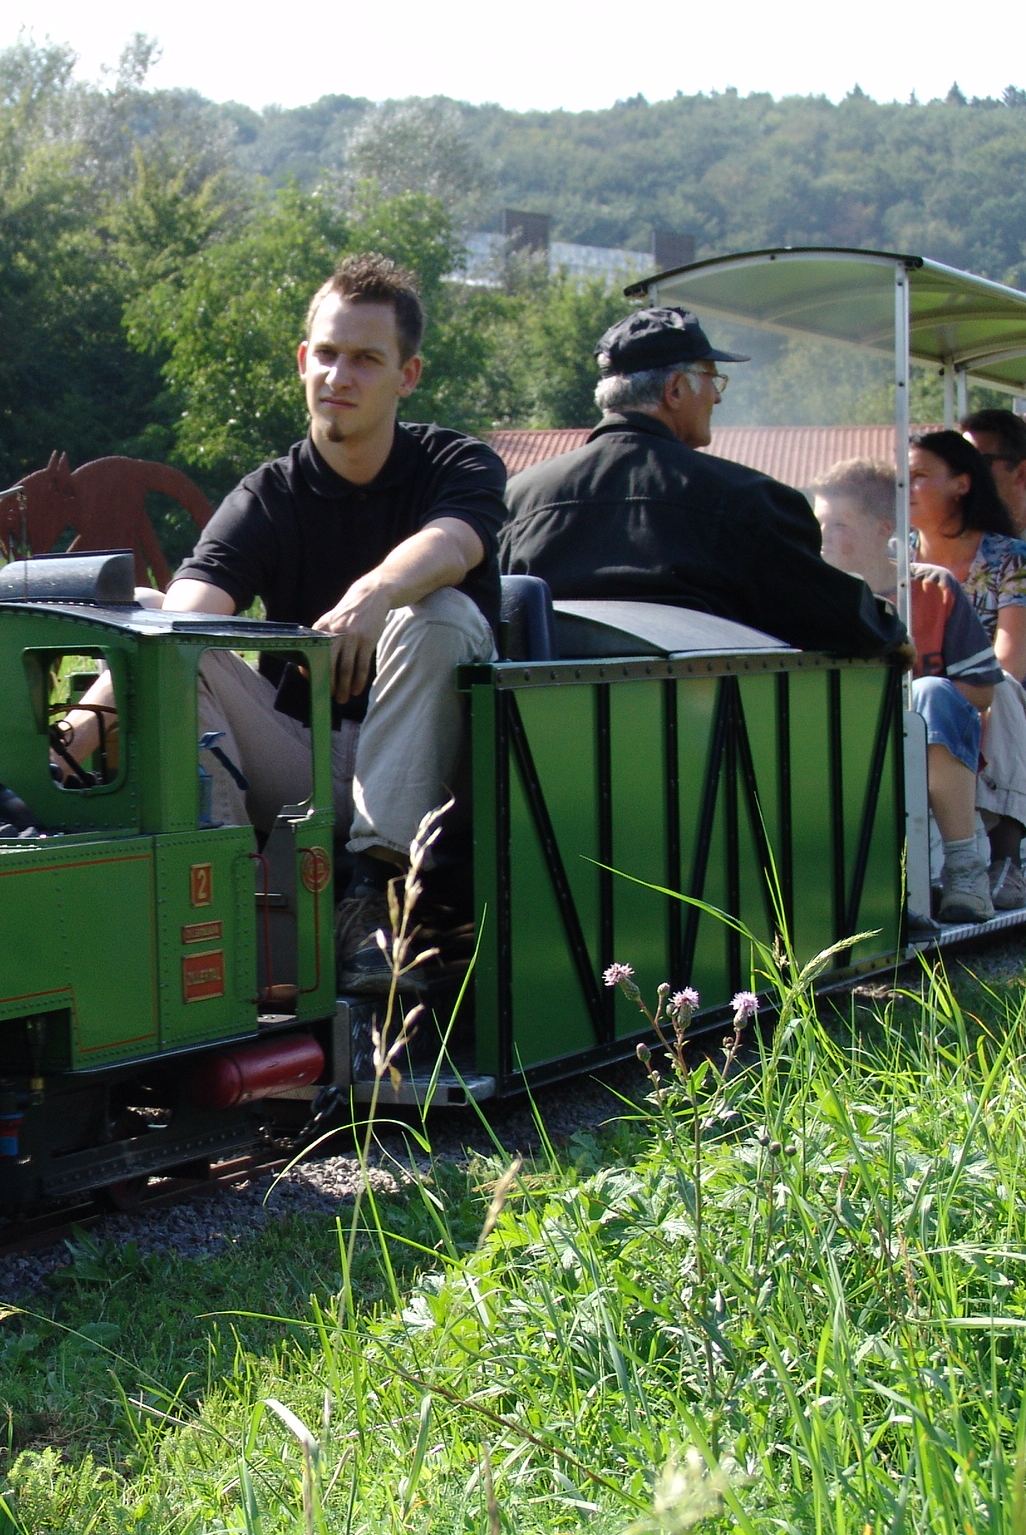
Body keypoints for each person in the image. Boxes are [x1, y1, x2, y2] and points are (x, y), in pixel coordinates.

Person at [60, 252, 504, 993]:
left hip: (447, 774)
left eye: (366, 359)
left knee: (440, 613)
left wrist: (374, 594)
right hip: (310, 759)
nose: (341, 376)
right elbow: (190, 614)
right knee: (155, 627)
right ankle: (219, 896)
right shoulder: (268, 494)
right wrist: (86, 722)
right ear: (303, 360)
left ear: (409, 375)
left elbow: (454, 544)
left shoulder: (457, 464)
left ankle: (371, 904)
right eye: (327, 355)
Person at [499, 308, 902, 657]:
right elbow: (839, 621)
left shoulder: (518, 500)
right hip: (711, 738)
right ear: (675, 389)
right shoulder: (748, 501)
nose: (718, 397)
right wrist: (889, 633)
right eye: (712, 378)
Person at [814, 459, 1003, 921]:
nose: (823, 538)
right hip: (844, 746)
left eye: (838, 525)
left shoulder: (933, 589)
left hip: (926, 747)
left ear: (882, 529)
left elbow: (981, 692)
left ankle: (964, 869)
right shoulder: (811, 599)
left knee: (933, 694)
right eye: (819, 523)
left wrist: (908, 695)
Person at [908, 428, 1026, 906]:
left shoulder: (1010, 556)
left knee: (999, 682)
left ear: (962, 483)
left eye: (920, 475)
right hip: (920, 706)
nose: (906, 487)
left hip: (1009, 717)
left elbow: (1010, 659)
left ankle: (1005, 858)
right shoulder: (894, 557)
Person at [962, 408, 1026, 720]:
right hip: (974, 710)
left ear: (1021, 473)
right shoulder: (945, 545)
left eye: (980, 463)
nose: (966, 475)